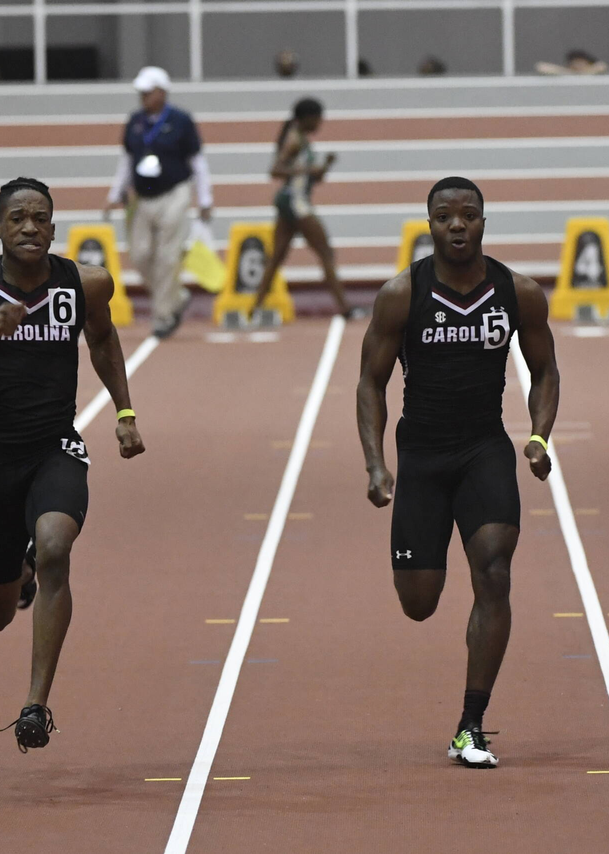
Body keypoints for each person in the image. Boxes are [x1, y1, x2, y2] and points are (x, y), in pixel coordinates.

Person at [0, 177, 145, 753]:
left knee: (56, 547)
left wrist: (125, 412)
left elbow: (103, 339)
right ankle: (19, 572)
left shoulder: (85, 283)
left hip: (54, 447)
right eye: (17, 218)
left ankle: (35, 706)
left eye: (40, 218)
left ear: (54, 228)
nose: (29, 227)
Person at [356, 177, 560, 768]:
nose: (457, 225)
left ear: (483, 223)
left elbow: (545, 370)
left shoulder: (518, 293)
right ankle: (466, 710)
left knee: (494, 571)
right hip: (422, 457)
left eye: (468, 215)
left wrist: (539, 436)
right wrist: (376, 463)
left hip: (483, 449)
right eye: (445, 216)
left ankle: (471, 723)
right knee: (418, 603)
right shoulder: (402, 294)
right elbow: (370, 382)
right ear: (430, 226)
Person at [104, 66, 213, 339]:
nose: (142, 96)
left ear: (162, 92)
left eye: (148, 91)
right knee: (140, 255)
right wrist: (114, 194)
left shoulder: (181, 121)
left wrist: (205, 198)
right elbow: (127, 160)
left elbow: (197, 162)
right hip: (142, 197)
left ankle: (163, 316)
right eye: (141, 91)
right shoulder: (135, 122)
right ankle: (176, 297)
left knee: (167, 257)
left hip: (175, 192)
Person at [250, 98, 354, 320]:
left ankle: (254, 309)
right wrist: (307, 170)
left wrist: (325, 165)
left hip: (291, 201)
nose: (320, 123)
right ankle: (345, 308)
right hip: (296, 203)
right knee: (325, 251)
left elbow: (311, 177)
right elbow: (276, 170)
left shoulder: (300, 139)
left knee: (277, 257)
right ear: (307, 118)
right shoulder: (294, 139)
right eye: (318, 119)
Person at [535, 49, 609, 76]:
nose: (578, 66)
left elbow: (602, 66)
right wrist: (571, 73)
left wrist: (583, 73)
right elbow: (541, 67)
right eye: (575, 63)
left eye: (581, 63)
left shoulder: (593, 75)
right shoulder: (565, 75)